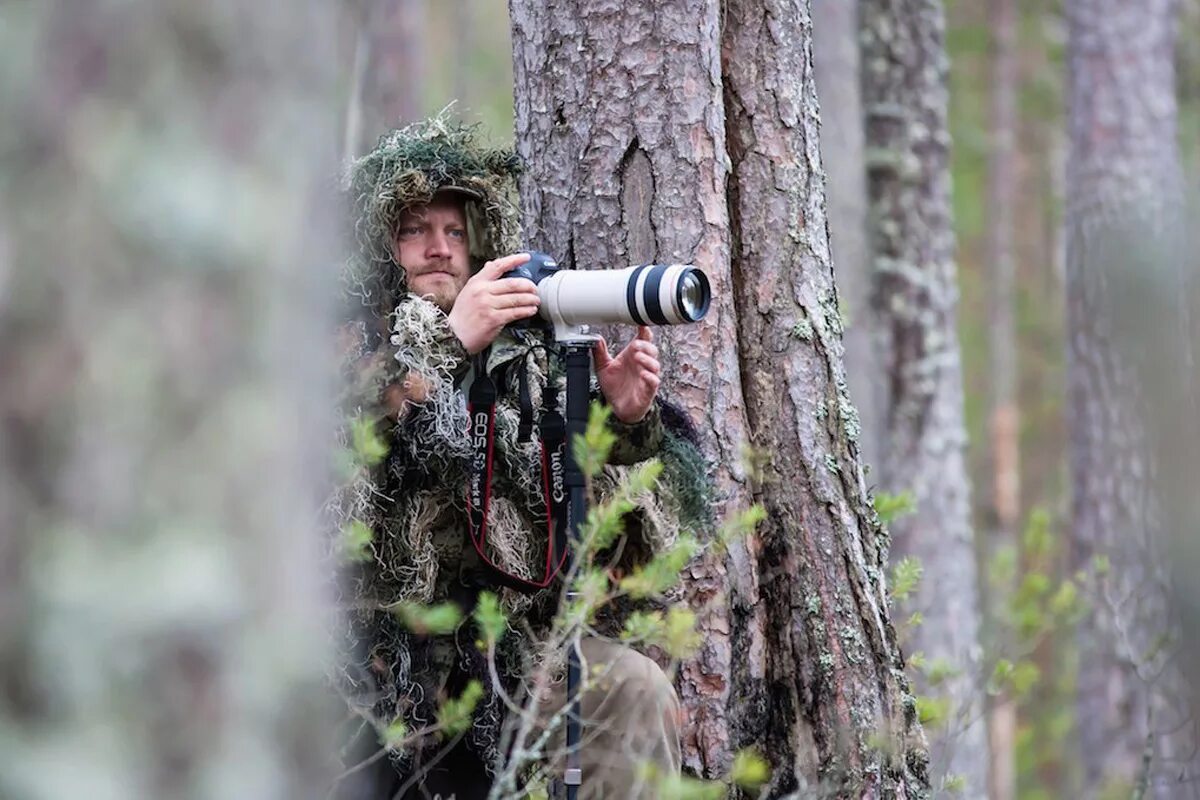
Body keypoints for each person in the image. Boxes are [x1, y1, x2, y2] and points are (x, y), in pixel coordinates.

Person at [330, 117, 710, 799]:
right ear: (384, 245)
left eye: (455, 231)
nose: (438, 250)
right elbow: (333, 451)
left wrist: (621, 419)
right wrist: (447, 347)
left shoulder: (523, 350)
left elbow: (592, 505)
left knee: (632, 690)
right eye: (415, 230)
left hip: (511, 653)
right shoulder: (349, 342)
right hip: (383, 671)